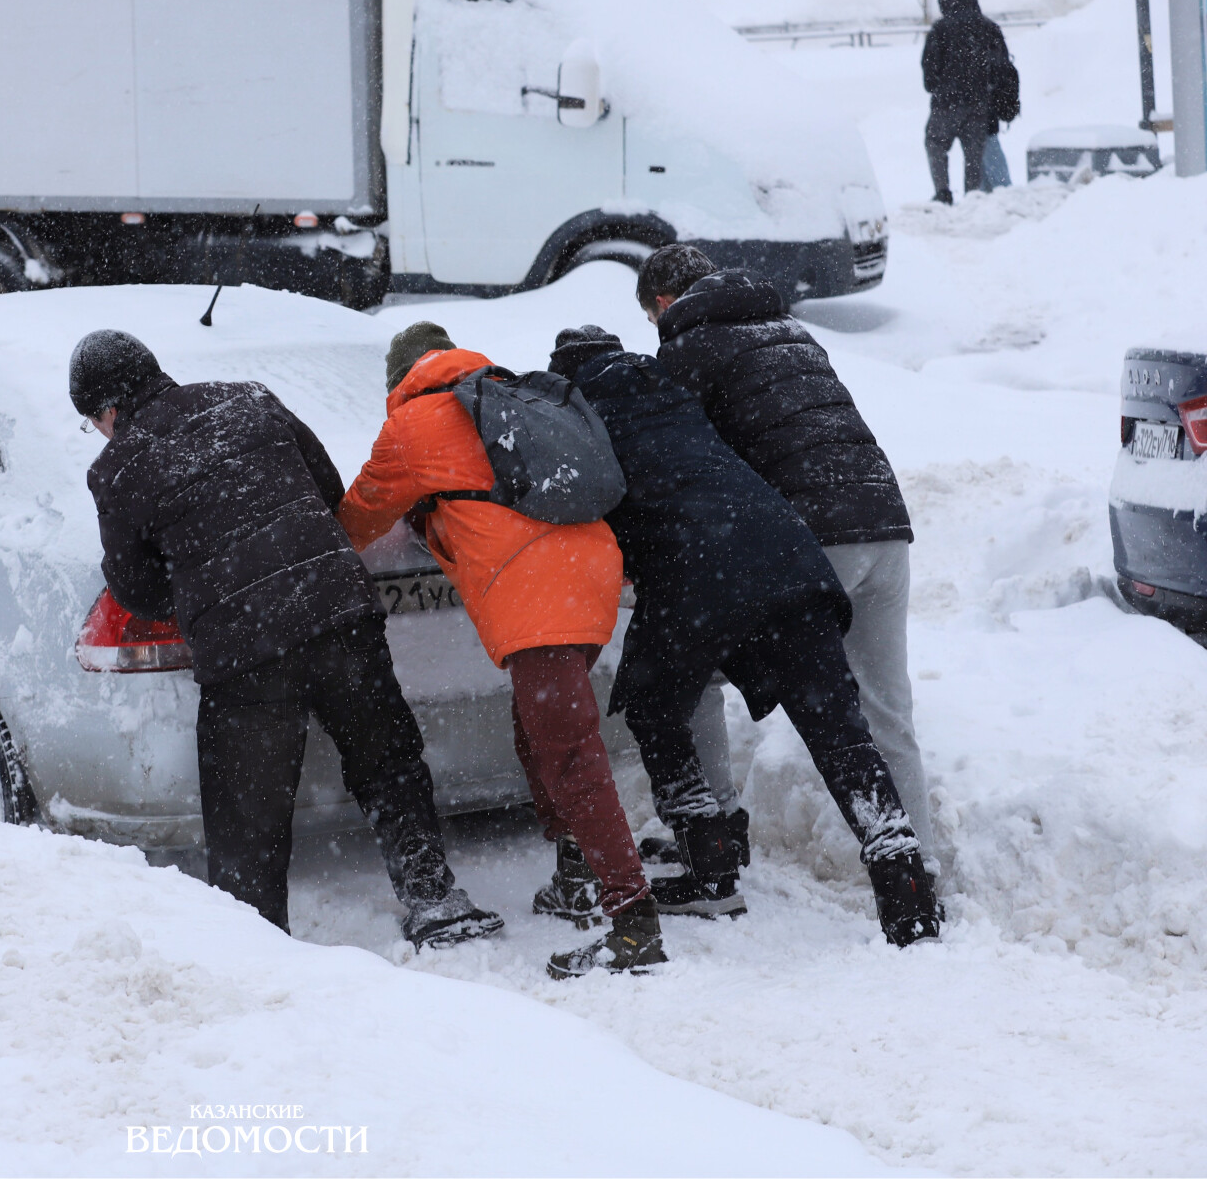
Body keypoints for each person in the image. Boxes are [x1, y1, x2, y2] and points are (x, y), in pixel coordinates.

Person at [72, 329, 502, 950]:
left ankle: (261, 947)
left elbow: (136, 587)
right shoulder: (249, 398)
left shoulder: (117, 469)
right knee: (387, 762)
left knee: (249, 813)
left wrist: (204, 589)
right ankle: (434, 896)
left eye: (95, 422)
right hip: (336, 609)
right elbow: (325, 490)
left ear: (108, 408)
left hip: (246, 652)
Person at [548, 325, 941, 948]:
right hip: (788, 554)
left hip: (699, 570)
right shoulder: (668, 387)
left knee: (654, 708)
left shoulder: (578, 412)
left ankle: (710, 870)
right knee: (839, 731)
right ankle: (908, 894)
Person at [337, 322, 664, 978]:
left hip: (534, 592)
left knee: (571, 752)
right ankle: (576, 871)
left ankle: (633, 924)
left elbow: (355, 523)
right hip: (591, 570)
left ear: (399, 378)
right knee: (537, 727)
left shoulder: (411, 424)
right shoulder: (508, 398)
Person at [638, 248, 937, 901]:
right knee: (888, 711)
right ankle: (923, 871)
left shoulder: (690, 347)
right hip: (884, 522)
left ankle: (712, 837)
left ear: (664, 302)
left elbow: (683, 465)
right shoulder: (786, 328)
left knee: (690, 675)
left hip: (813, 536)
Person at [921, 0, 1012, 203]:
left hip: (945, 105)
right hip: (979, 106)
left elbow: (929, 76)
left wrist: (942, 85)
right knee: (973, 155)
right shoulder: (989, 28)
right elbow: (1002, 68)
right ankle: (972, 198)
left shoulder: (940, 30)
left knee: (935, 145)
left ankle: (943, 192)